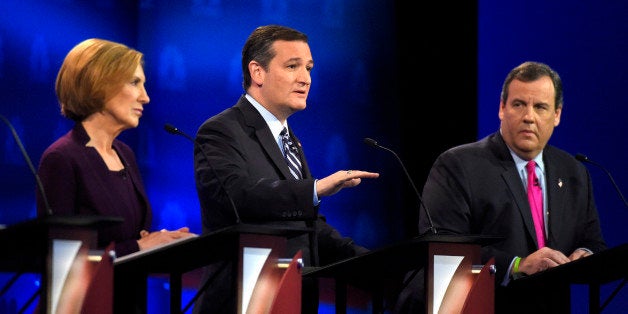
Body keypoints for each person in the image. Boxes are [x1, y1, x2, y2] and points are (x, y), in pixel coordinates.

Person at [192, 25, 379, 314]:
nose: (305, 78)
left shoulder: (289, 139)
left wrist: (377, 264)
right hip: (244, 299)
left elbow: (304, 226)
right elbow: (237, 196)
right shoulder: (221, 131)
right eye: (292, 66)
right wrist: (314, 189)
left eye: (309, 68)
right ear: (257, 72)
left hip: (292, 298)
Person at [413, 61, 607, 313]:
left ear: (557, 115)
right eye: (518, 104)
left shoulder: (573, 172)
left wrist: (585, 253)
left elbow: (592, 241)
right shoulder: (458, 165)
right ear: (502, 108)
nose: (529, 117)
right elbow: (442, 248)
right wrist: (516, 265)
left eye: (540, 107)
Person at [36, 38, 195, 311]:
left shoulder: (124, 154)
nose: (145, 96)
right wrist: (140, 246)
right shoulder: (61, 159)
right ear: (99, 83)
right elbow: (62, 259)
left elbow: (128, 238)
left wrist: (163, 242)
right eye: (135, 83)